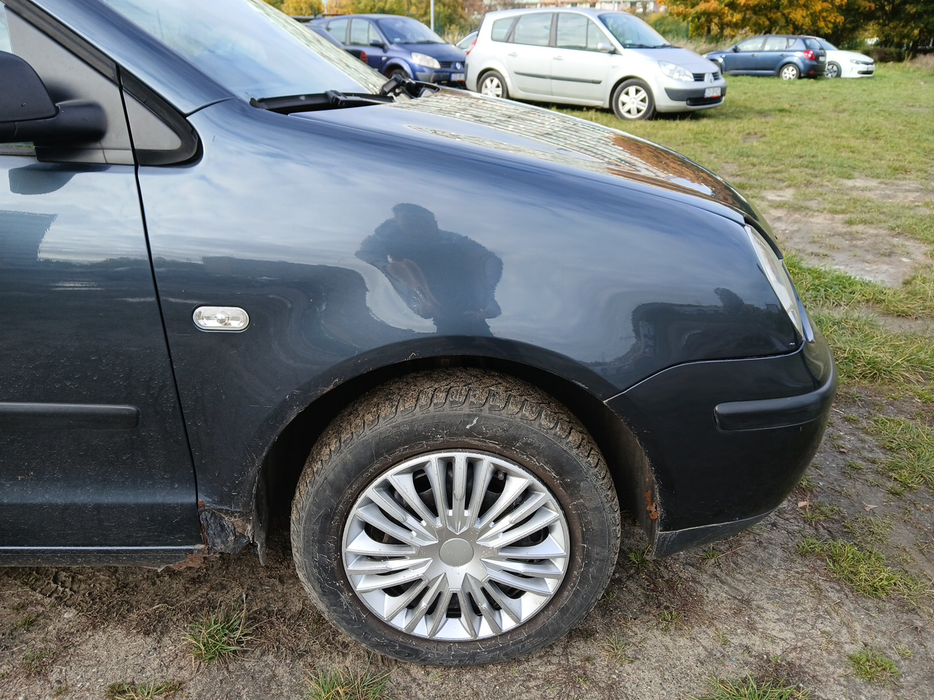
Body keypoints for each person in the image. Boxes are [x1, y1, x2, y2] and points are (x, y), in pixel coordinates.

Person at [357, 203, 503, 335]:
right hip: (434, 313)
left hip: (468, 308)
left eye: (423, 223)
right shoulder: (392, 243)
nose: (418, 229)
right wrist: (381, 239)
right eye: (411, 225)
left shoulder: (453, 241)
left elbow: (489, 260)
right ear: (399, 225)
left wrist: (488, 298)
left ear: (434, 224)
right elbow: (366, 254)